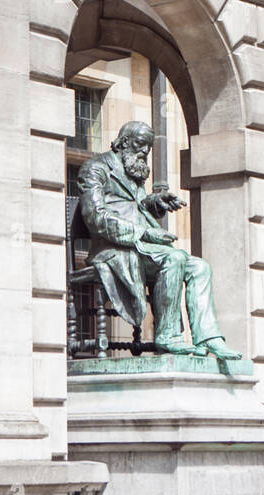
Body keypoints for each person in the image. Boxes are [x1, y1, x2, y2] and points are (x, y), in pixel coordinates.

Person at [76, 120, 239, 359]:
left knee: (200, 267)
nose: (145, 152)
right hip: (113, 249)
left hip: (142, 249)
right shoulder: (96, 168)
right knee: (173, 258)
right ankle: (168, 335)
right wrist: (144, 233)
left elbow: (134, 206)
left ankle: (208, 337)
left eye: (149, 148)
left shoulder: (133, 170)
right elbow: (95, 217)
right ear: (124, 142)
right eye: (141, 144)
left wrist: (154, 202)